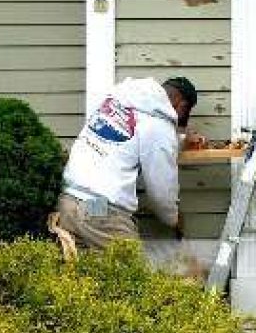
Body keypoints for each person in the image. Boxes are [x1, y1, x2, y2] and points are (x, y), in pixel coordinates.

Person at [54, 77, 198, 249]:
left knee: (87, 273)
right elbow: (161, 192)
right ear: (181, 105)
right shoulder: (158, 125)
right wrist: (173, 219)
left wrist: (179, 141)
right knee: (133, 272)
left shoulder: (117, 101)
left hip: (69, 204)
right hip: (99, 210)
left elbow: (126, 142)